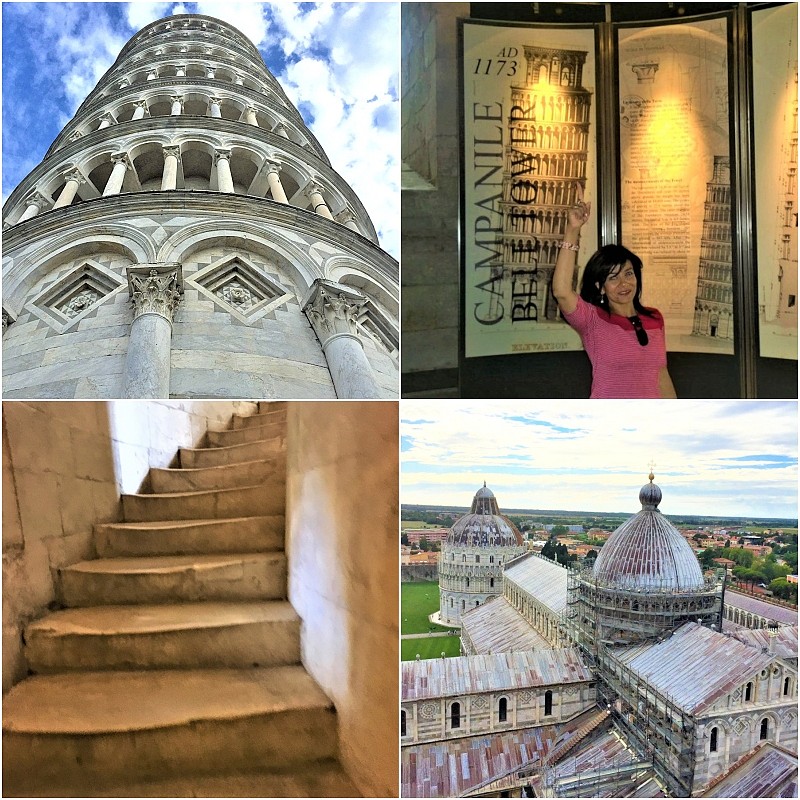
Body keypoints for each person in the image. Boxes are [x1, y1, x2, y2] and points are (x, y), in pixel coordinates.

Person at [552, 190, 677, 399]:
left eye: (628, 274)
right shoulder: (592, 320)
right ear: (601, 286)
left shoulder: (655, 318)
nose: (624, 283)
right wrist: (573, 229)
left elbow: (662, 374)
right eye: (613, 278)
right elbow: (562, 291)